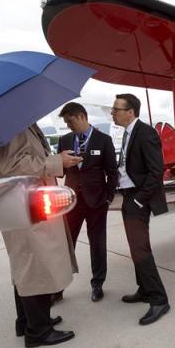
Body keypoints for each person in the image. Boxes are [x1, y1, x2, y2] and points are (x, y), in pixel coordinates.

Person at [0, 123, 82, 348]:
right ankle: (38, 330)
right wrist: (57, 161)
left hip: (24, 203)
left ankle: (29, 320)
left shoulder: (12, 125)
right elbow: (12, 165)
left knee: (27, 263)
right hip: (24, 206)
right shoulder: (9, 127)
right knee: (35, 264)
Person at [111, 93, 170, 325]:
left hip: (137, 199)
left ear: (130, 112)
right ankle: (144, 290)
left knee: (141, 249)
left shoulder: (146, 133)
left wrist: (139, 200)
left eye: (116, 109)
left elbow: (157, 172)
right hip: (128, 197)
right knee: (135, 249)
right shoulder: (128, 133)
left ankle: (159, 299)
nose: (113, 113)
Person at [57, 102, 118, 302]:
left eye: (71, 121)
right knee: (67, 245)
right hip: (72, 202)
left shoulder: (103, 140)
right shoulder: (65, 140)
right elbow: (60, 171)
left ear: (82, 116)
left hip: (97, 202)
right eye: (66, 122)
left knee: (97, 244)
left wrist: (108, 198)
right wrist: (58, 162)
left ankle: (97, 284)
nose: (69, 126)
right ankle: (58, 288)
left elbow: (112, 172)